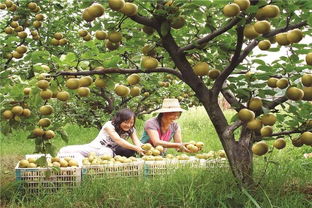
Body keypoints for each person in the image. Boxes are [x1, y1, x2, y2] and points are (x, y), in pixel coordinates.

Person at [59, 108, 144, 157]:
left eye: (131, 122)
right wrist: (136, 148)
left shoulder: (131, 129)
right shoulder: (109, 126)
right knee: (64, 150)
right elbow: (118, 140)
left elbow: (137, 142)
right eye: (126, 122)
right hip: (95, 148)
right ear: (119, 120)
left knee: (108, 153)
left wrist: (144, 148)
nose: (129, 125)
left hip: (109, 151)